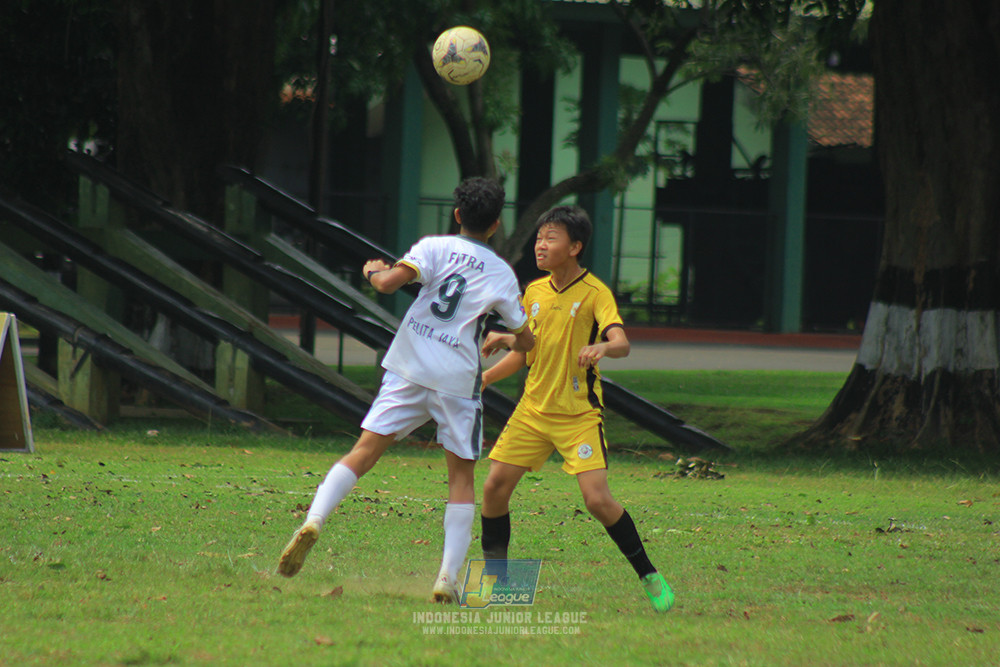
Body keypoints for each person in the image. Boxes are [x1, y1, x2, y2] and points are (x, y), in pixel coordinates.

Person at [278, 177, 534, 605]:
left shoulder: (434, 247)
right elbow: (525, 338)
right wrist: (508, 339)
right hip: (457, 379)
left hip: (409, 367)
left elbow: (386, 285)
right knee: (461, 478)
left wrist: (374, 270)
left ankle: (315, 520)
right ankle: (448, 578)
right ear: (495, 224)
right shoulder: (502, 274)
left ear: (458, 216)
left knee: (363, 452)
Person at [478, 205, 674, 613]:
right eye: (538, 238)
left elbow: (621, 343)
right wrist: (485, 376)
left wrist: (602, 346)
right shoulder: (533, 292)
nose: (541, 245)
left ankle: (649, 575)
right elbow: (527, 351)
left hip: (578, 415)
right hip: (533, 410)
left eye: (551, 238)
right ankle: (497, 582)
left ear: (575, 246)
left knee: (597, 500)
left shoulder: (594, 293)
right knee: (494, 488)